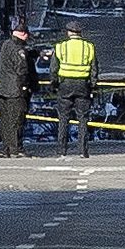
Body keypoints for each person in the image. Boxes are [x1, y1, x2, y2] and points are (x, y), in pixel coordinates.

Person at [51, 21, 99, 156]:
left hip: (65, 85)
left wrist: (54, 84)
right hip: (83, 85)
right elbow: (94, 69)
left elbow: (53, 69)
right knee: (83, 118)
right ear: (80, 33)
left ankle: (62, 150)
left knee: (63, 118)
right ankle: (83, 150)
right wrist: (93, 85)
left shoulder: (61, 47)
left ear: (68, 32)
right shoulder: (89, 47)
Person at [0, 22, 37, 157]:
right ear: (24, 35)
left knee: (6, 121)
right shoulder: (19, 49)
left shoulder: (6, 45)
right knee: (17, 120)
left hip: (4, 89)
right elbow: (21, 69)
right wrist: (26, 87)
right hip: (16, 91)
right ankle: (16, 148)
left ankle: (7, 148)